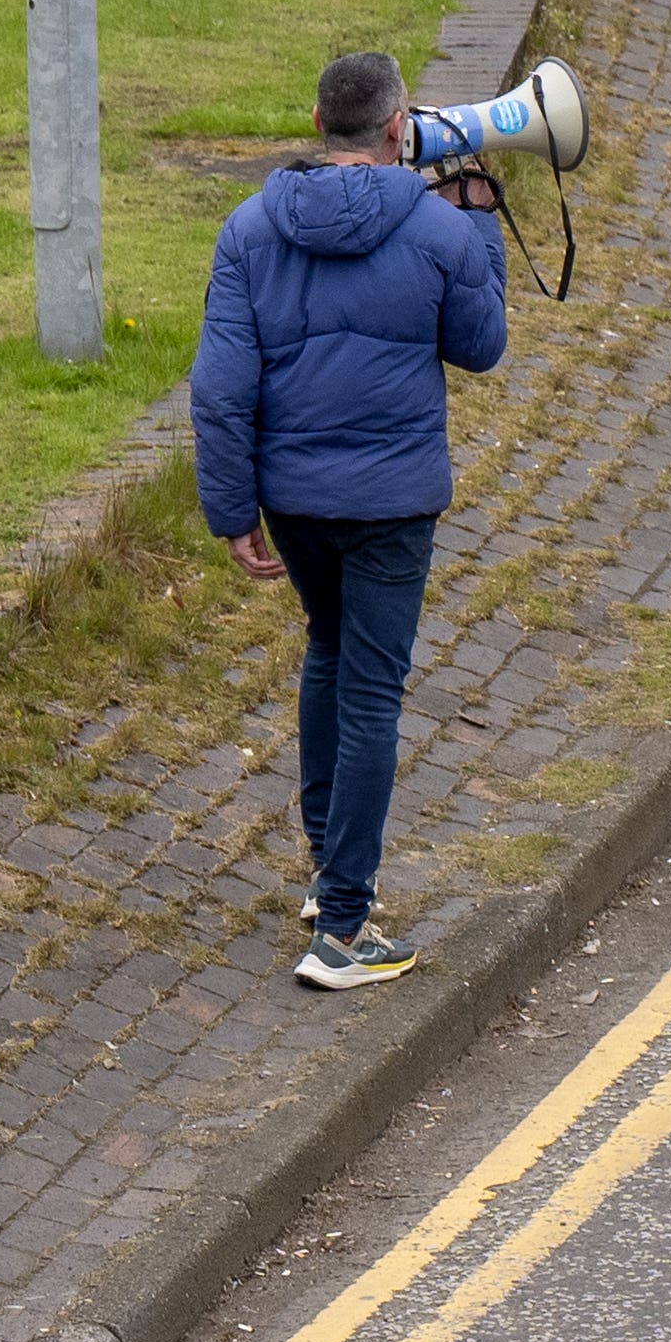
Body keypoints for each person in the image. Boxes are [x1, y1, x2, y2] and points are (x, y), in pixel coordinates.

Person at [192, 51, 510, 993]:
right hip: (392, 503)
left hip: (293, 501)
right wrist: (483, 226)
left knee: (328, 651)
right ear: (397, 125)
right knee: (371, 690)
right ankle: (342, 928)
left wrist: (231, 507)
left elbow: (219, 390)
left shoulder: (249, 229)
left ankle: (327, 867)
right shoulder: (436, 229)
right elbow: (481, 345)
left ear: (320, 121)